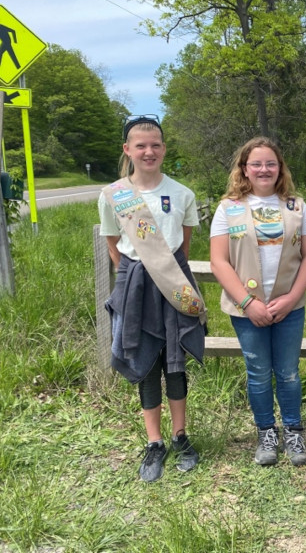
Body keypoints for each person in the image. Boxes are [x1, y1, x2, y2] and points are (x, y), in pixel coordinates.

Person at [99, 114, 206, 483]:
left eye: (155, 145)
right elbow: (114, 247)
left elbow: (183, 249)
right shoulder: (113, 195)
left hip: (174, 284)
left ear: (164, 148)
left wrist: (166, 278)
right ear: (127, 150)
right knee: (145, 363)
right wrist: (138, 281)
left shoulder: (182, 194)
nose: (149, 151)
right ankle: (154, 442)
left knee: (175, 362)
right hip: (136, 287)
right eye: (140, 145)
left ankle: (180, 436)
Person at [209, 136, 306, 467]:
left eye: (271, 163)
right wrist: (247, 303)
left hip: (289, 308)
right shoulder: (228, 208)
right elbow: (219, 261)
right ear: (244, 169)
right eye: (255, 164)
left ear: (280, 168)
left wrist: (291, 298)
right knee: (257, 373)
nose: (264, 169)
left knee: (288, 373)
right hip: (246, 310)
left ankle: (293, 432)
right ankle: (266, 433)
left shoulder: (296, 207)